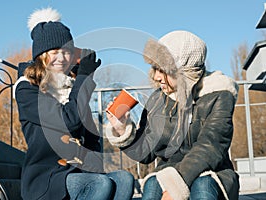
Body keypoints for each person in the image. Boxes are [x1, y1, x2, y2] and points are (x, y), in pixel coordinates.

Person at [14, 7, 134, 200]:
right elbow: (69, 120)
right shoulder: (27, 89)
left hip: (78, 172)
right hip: (48, 178)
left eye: (67, 52)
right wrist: (84, 80)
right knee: (99, 184)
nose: (61, 58)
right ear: (42, 56)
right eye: (54, 52)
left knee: (124, 179)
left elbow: (91, 138)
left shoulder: (72, 86)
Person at [106, 30, 240, 200]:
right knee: (152, 185)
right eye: (154, 68)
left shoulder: (219, 94)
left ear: (185, 72)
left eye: (163, 70)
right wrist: (123, 129)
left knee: (203, 186)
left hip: (213, 172)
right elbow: (146, 154)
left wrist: (176, 186)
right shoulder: (157, 100)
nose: (156, 77)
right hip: (168, 171)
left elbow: (210, 148)